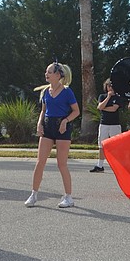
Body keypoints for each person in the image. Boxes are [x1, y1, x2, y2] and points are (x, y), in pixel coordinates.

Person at [25, 62, 80, 209]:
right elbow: (43, 110)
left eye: (49, 72)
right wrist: (39, 123)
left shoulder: (67, 91)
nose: (46, 74)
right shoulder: (45, 92)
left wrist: (65, 121)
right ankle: (33, 194)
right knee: (40, 162)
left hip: (62, 127)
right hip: (48, 126)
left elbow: (76, 111)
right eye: (46, 72)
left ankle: (68, 197)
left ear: (58, 75)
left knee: (61, 164)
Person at [90, 79, 121, 173]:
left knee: (116, 146)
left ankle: (118, 166)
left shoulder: (118, 97)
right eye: (108, 86)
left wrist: (104, 108)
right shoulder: (102, 96)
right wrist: (108, 97)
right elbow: (99, 107)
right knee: (102, 145)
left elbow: (114, 109)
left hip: (115, 124)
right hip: (104, 124)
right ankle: (100, 165)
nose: (110, 88)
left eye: (112, 86)